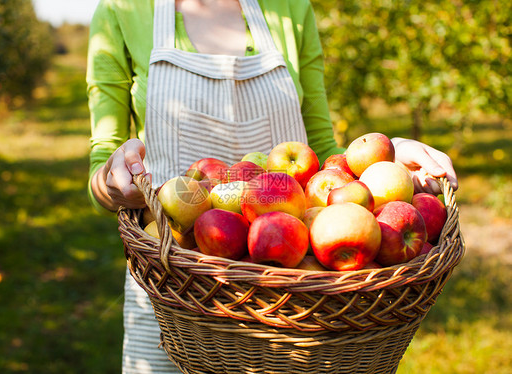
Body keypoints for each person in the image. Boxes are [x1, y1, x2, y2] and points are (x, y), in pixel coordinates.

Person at [86, 0, 459, 372]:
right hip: (177, 286)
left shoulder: (291, 8)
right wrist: (112, 182)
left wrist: (386, 158)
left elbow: (325, 153)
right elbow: (102, 161)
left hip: (297, 303)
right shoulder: (123, 11)